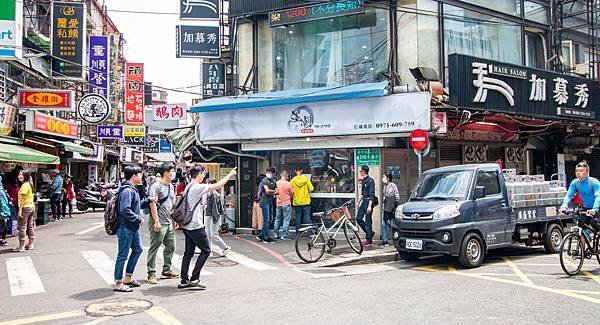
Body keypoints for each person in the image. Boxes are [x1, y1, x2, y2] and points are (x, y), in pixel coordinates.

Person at [179, 165, 237, 290]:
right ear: (199, 173)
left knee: (188, 252)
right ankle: (195, 278)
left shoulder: (189, 186)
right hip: (195, 225)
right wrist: (230, 174)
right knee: (206, 250)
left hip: (187, 224)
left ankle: (184, 279)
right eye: (203, 173)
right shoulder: (197, 187)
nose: (204, 176)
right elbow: (218, 185)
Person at [113, 166, 156, 293]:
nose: (142, 176)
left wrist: (149, 200)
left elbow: (136, 205)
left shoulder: (133, 189)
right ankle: (118, 283)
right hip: (126, 227)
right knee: (122, 255)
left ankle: (128, 277)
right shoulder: (127, 191)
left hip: (132, 227)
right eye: (140, 174)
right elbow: (125, 209)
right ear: (134, 176)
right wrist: (138, 219)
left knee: (138, 249)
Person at [146, 163, 178, 285]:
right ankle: (151, 273)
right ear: (166, 173)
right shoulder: (156, 186)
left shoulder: (171, 186)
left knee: (171, 246)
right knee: (154, 248)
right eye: (172, 171)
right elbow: (152, 204)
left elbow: (172, 205)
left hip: (168, 222)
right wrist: (156, 222)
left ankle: (167, 270)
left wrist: (174, 221)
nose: (173, 173)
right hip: (158, 222)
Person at [205, 179, 231, 257]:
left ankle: (225, 247)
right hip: (209, 215)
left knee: (213, 235)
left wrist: (215, 219)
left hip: (213, 216)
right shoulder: (210, 193)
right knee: (208, 234)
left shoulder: (214, 194)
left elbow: (215, 209)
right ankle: (209, 251)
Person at [14, 171, 35, 252]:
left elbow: (23, 199)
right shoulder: (29, 184)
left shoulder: (24, 185)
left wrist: (20, 210)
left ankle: (21, 246)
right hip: (31, 207)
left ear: (25, 176)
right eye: (19, 174)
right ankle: (30, 244)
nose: (19, 176)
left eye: (21, 175)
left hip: (25, 207)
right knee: (30, 226)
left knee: (22, 227)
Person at [290, 166, 314, 236]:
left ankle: (298, 233)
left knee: (298, 217)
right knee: (307, 217)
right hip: (306, 201)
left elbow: (290, 191)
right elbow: (312, 188)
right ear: (301, 171)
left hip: (297, 202)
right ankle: (309, 233)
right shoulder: (306, 179)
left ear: (295, 171)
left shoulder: (292, 181)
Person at [257, 167, 278, 243]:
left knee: (271, 218)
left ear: (273, 174)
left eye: (270, 172)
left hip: (270, 201)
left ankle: (261, 235)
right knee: (266, 219)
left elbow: (277, 191)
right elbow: (267, 191)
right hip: (264, 201)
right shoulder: (264, 180)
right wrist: (273, 191)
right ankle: (265, 236)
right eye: (267, 172)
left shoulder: (273, 181)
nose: (268, 173)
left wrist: (271, 191)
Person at [356, 165, 375, 247]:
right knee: (358, 219)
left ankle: (369, 240)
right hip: (364, 201)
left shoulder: (371, 181)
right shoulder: (363, 181)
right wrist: (358, 201)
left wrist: (369, 206)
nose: (360, 172)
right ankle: (370, 233)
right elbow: (363, 193)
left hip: (369, 202)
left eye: (361, 171)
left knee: (368, 221)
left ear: (364, 171)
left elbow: (372, 195)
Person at [381, 173, 400, 247]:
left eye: (384, 177)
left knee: (391, 224)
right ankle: (385, 240)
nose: (383, 178)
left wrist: (395, 206)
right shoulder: (385, 187)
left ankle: (396, 238)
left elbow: (397, 197)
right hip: (385, 207)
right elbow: (384, 197)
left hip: (391, 208)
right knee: (383, 224)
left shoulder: (393, 186)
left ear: (388, 178)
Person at [274, 170, 293, 240]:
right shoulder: (288, 184)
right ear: (286, 176)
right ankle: (284, 235)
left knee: (277, 219)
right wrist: (289, 198)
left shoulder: (277, 183)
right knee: (286, 219)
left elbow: (275, 192)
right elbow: (292, 193)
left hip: (278, 203)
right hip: (286, 203)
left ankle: (275, 234)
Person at [0, 176, 11, 246]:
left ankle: (3, 239)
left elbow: (2, 202)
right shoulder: (1, 190)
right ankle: (3, 239)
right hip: (4, 211)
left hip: (3, 211)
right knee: (3, 225)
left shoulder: (1, 190)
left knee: (3, 225)